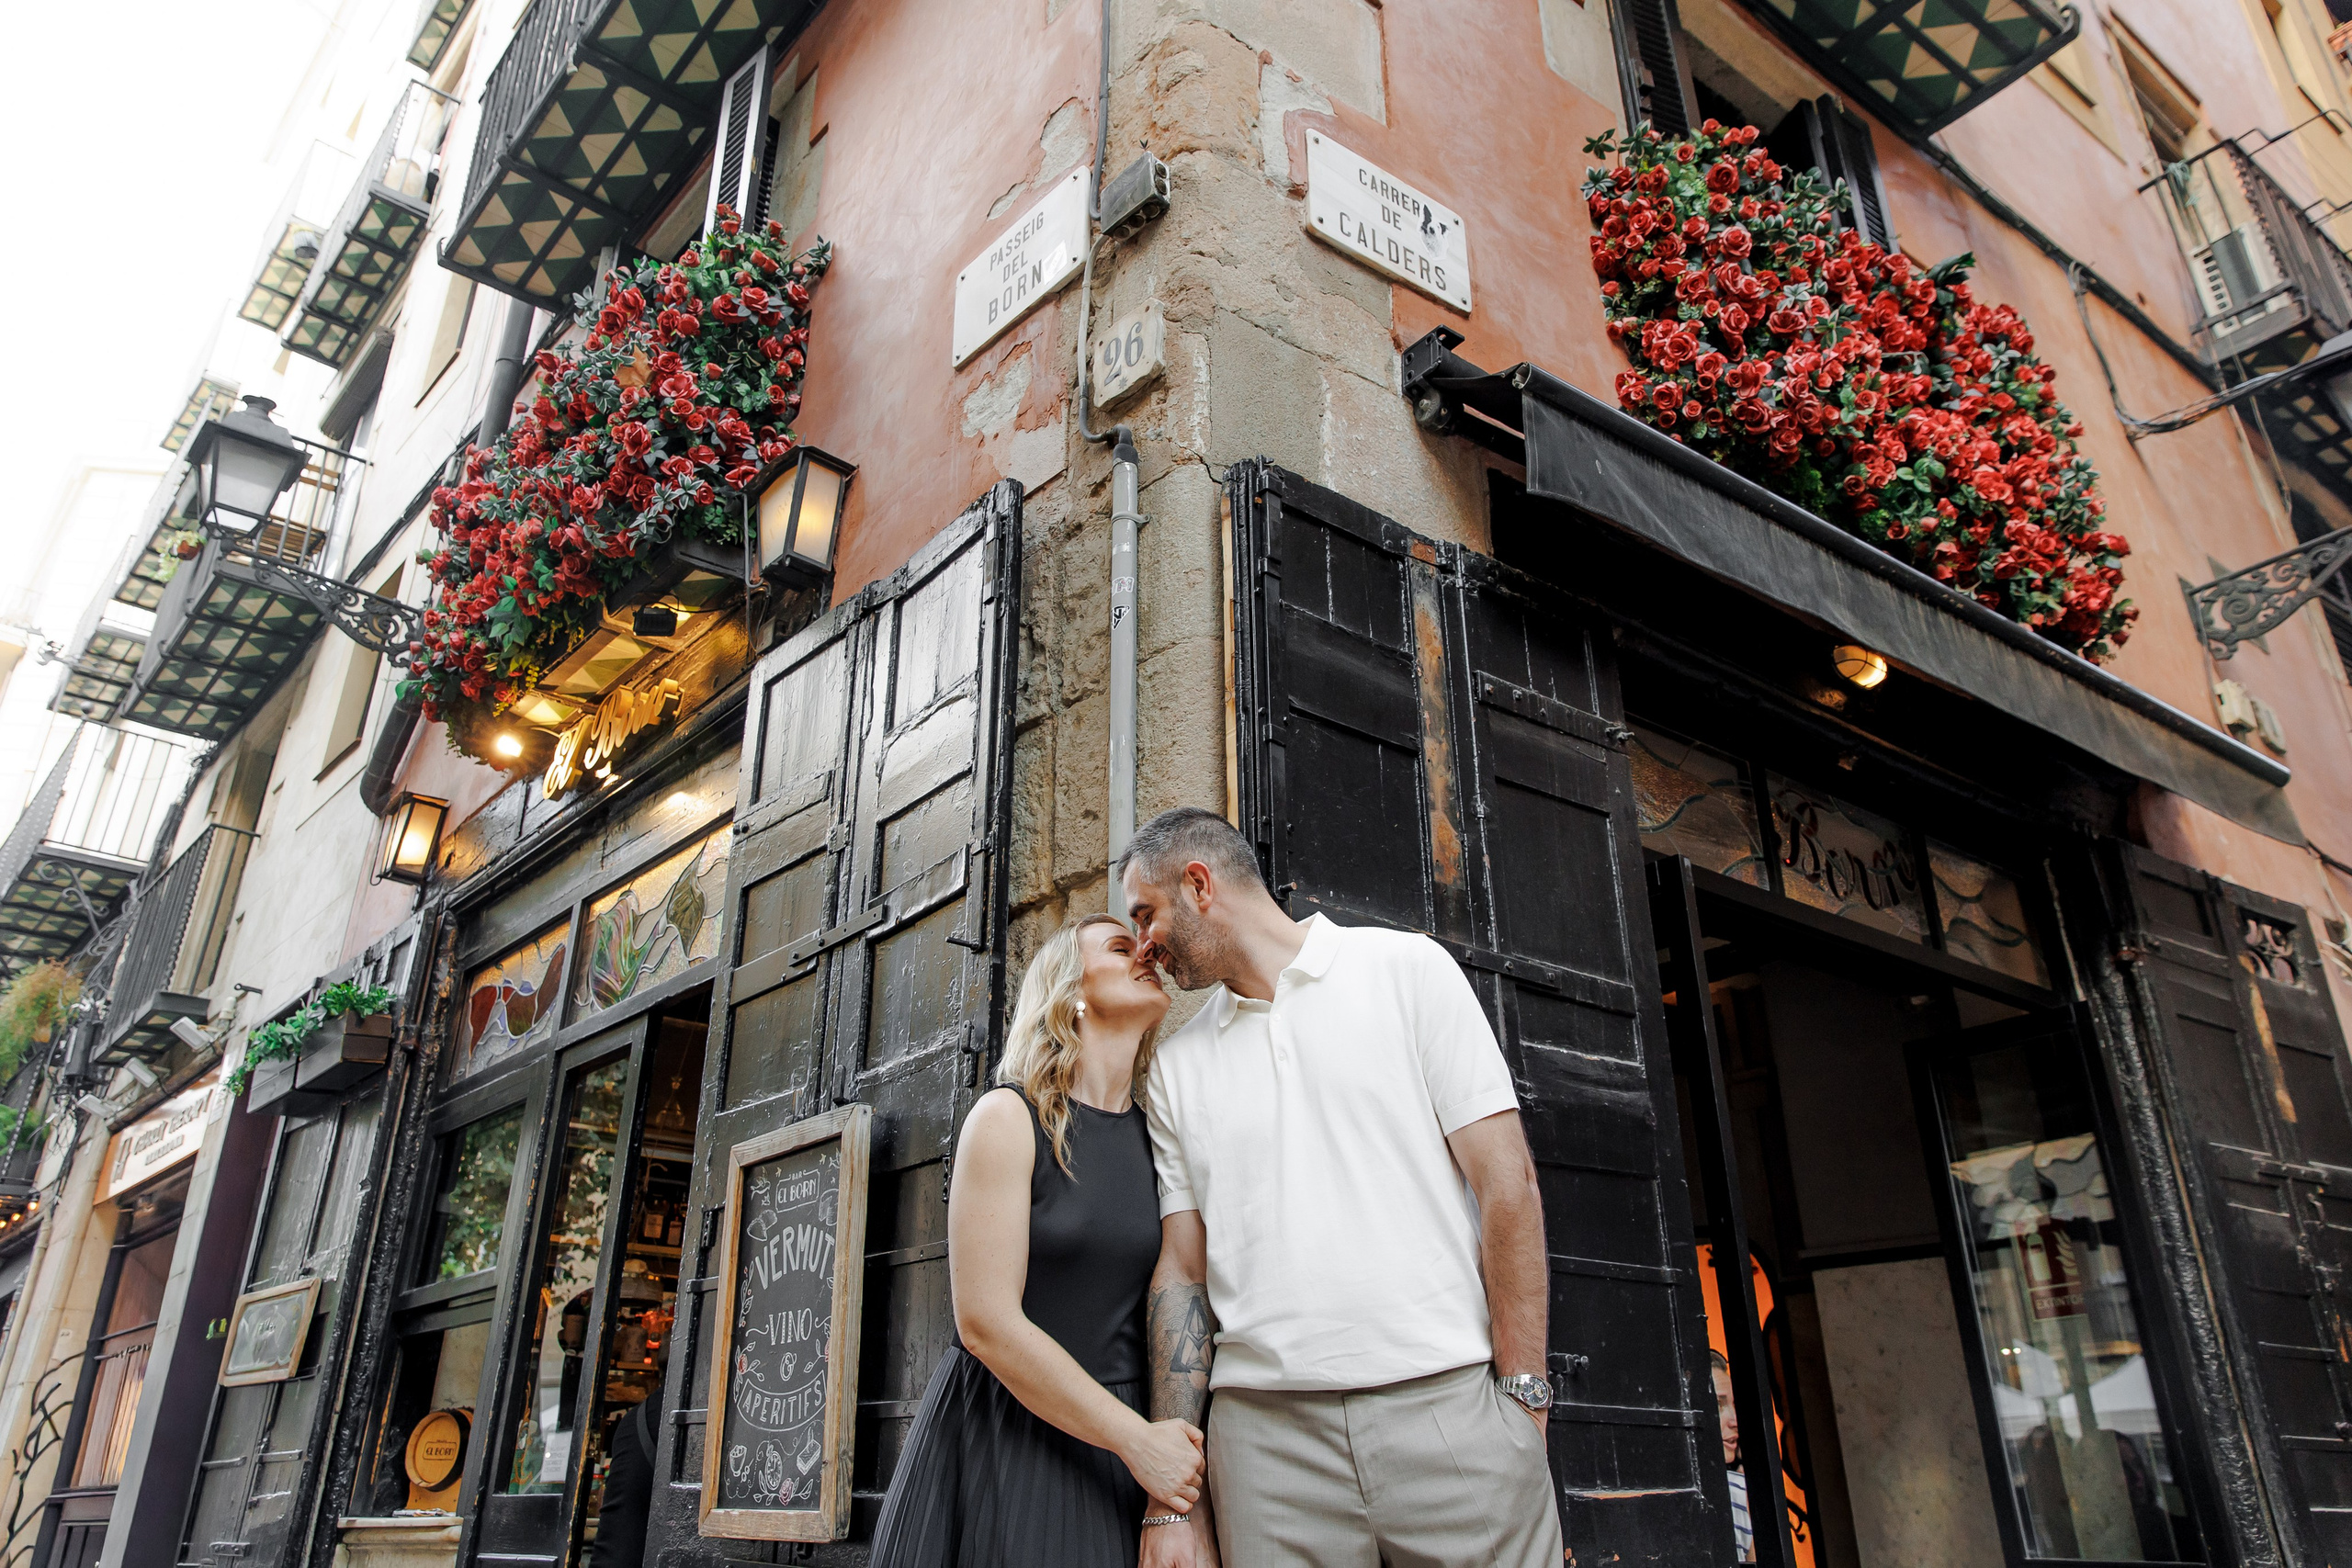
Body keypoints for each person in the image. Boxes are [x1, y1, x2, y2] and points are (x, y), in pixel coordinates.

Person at [1119, 807, 1563, 1568]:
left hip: (1449, 1411)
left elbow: (1508, 1183)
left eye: (1144, 913)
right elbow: (1182, 1271)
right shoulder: (1175, 1067)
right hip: (1265, 1449)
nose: (1142, 945)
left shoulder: (1407, 971)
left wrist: (1524, 1397)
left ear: (1198, 884)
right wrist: (1174, 1496)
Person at [872, 914, 1208, 1567]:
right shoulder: (1007, 1116)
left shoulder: (1160, 1135)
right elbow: (986, 1322)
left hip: (1122, 1451)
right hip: (1009, 1435)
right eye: (1119, 945)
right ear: (1070, 990)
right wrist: (1136, 1442)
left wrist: (1158, 1462)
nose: (1146, 951)